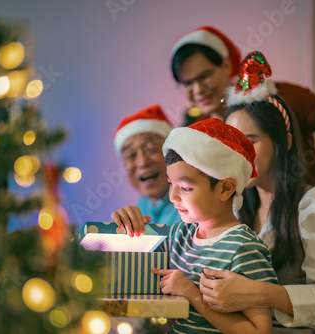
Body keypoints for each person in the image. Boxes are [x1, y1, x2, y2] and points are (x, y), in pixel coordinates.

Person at [199, 51, 315, 333]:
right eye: (231, 144)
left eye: (249, 141)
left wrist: (259, 293)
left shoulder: (314, 203)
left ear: (284, 141)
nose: (238, 154)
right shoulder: (234, 207)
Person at [170, 25, 315, 222]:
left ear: (225, 65)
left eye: (204, 76)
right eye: (187, 83)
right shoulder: (198, 131)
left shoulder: (279, 99)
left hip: (303, 216)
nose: (197, 90)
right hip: (246, 226)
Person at [112, 118, 278, 333]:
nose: (173, 196)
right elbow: (128, 270)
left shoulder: (244, 249)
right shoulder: (179, 235)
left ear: (225, 189)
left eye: (186, 188)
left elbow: (261, 331)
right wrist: (125, 222)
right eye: (171, 184)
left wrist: (192, 294)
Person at [113, 104, 181, 226]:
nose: (142, 162)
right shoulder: (142, 206)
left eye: (151, 149)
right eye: (130, 155)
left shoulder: (194, 206)